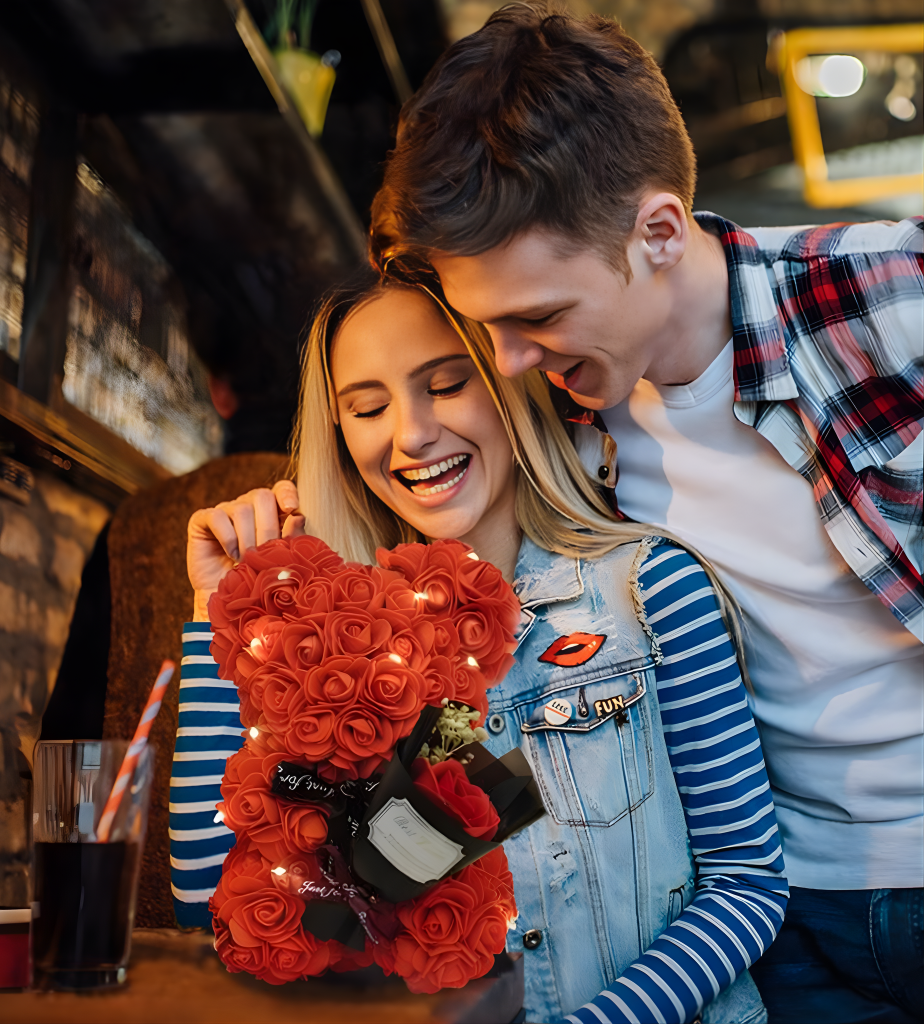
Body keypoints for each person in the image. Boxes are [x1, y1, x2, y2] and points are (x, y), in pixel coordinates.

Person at [366, 7, 923, 1023]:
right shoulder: (561, 433)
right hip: (783, 925)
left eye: (536, 317)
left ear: (658, 231)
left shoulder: (890, 296)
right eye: (489, 328)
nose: (512, 364)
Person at [180, 268, 786, 1023]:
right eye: (367, 407)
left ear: (512, 386)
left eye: (444, 384)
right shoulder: (336, 666)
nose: (410, 433)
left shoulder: (651, 590)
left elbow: (747, 882)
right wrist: (220, 615)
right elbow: (217, 907)